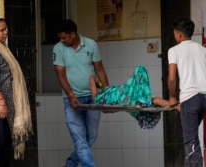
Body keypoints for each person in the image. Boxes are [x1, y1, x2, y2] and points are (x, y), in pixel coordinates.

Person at [53, 19, 109, 167]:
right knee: (79, 138)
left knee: (90, 137)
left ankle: (71, 163)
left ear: (73, 34)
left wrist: (108, 94)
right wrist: (71, 95)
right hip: (72, 99)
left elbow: (100, 70)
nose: (61, 40)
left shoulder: (91, 44)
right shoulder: (58, 49)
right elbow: (61, 76)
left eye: (64, 37)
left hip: (93, 97)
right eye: (60, 37)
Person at [167, 18, 206, 167]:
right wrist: (201, 86)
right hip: (205, 97)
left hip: (190, 99)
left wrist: (172, 97)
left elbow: (171, 78)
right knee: (191, 137)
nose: (175, 36)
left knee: (191, 142)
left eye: (175, 34)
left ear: (179, 35)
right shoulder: (202, 49)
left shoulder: (174, 50)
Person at [89, 65, 178, 130]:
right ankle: (176, 106)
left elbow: (113, 109)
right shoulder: (98, 99)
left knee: (151, 100)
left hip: (129, 96)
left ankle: (176, 106)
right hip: (128, 96)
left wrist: (99, 84)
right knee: (140, 70)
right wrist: (96, 83)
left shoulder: (103, 96)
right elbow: (91, 79)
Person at [0, 18, 33, 167]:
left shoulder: (3, 49)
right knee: (0, 144)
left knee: (5, 144)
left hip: (7, 106)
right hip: (0, 107)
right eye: (1, 30)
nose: (6, 32)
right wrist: (0, 102)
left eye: (6, 29)